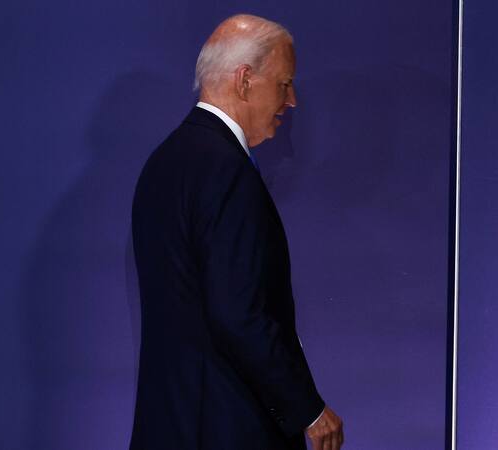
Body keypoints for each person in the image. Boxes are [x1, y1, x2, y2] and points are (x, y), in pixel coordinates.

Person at [129, 14, 343, 450]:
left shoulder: (164, 161)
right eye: (285, 84)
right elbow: (238, 314)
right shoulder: (227, 170)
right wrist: (308, 409)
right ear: (245, 80)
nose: (292, 101)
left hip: (170, 426)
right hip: (229, 428)